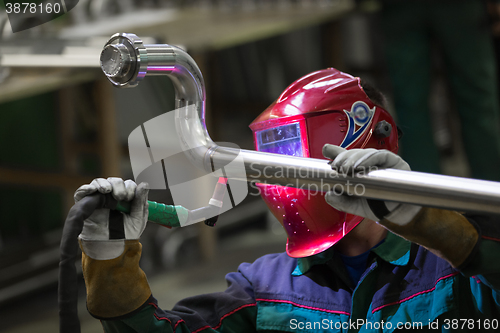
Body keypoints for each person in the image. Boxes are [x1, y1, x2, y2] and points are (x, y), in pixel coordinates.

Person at [74, 69, 500, 332]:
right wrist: (109, 256)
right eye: (275, 156)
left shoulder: (452, 268)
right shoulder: (265, 289)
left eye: (293, 152)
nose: (283, 176)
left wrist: (426, 220)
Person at [379, 0, 500, 181]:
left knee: (410, 103)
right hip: (459, 7)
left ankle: (424, 197)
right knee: (477, 99)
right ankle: (492, 194)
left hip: (401, 7)